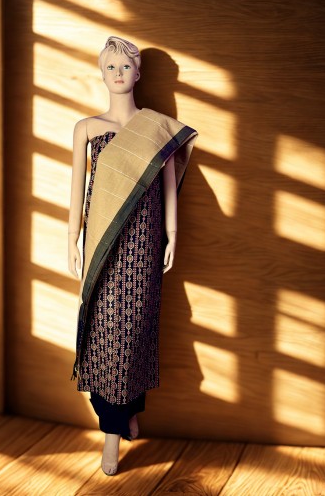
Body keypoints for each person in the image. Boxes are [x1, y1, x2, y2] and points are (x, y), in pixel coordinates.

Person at [68, 36, 197, 476]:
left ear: (138, 73)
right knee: (105, 333)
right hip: (102, 243)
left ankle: (123, 419)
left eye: (126, 66)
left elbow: (167, 188)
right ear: (101, 73)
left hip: (144, 242)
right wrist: (71, 238)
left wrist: (172, 234)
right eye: (110, 66)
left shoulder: (156, 129)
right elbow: (78, 190)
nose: (118, 73)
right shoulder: (87, 128)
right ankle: (115, 424)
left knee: (135, 332)